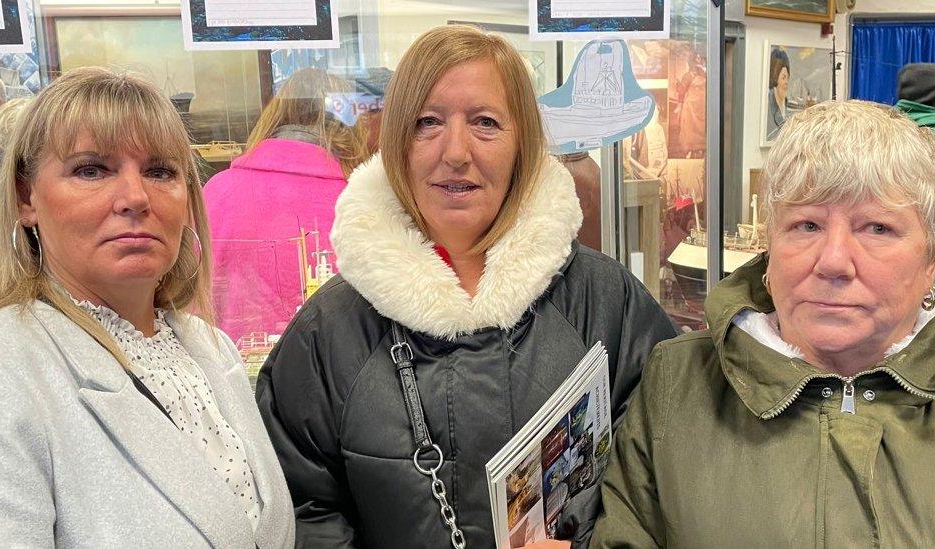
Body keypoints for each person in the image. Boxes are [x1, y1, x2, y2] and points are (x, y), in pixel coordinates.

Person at [256, 25, 676, 548]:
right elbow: (302, 507)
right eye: (427, 122)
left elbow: (664, 477)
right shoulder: (329, 331)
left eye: (485, 122)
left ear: (522, 140)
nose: (455, 152)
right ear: (395, 144)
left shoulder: (604, 302)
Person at [590, 99, 935, 546]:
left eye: (876, 228)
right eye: (806, 225)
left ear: (933, 255)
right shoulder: (678, 383)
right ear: (769, 248)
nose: (833, 262)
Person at [0, 67, 294, 547]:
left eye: (160, 171)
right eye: (91, 169)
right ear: (25, 196)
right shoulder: (7, 367)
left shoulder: (210, 349)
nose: (135, 198)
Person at [203, 68, 368, 342]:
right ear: (348, 128)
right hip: (337, 375)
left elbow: (190, 304)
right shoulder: (361, 202)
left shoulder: (216, 193)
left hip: (231, 373)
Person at [766, 47, 790, 141]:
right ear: (775, 78)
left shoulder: (788, 105)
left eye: (788, 77)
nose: (786, 82)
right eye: (783, 78)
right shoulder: (767, 106)